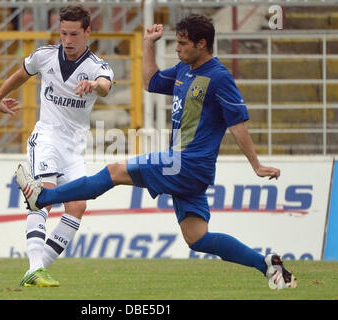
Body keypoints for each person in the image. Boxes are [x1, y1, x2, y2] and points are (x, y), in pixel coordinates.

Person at [15, 14, 297, 290]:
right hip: (188, 169)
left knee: (114, 171)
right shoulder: (185, 70)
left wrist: (257, 165)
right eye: (176, 41)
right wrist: (149, 43)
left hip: (186, 163)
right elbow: (150, 83)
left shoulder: (219, 78)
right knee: (198, 238)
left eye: (183, 43)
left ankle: (44, 197)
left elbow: (238, 124)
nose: (177, 48)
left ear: (202, 44)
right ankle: (267, 265)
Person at [0, 5, 114, 287]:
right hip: (46, 138)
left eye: (74, 34)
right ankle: (35, 268)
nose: (68, 40)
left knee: (78, 206)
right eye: (63, 33)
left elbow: (106, 85)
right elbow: (21, 74)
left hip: (74, 149)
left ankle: (35, 270)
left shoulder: (97, 66)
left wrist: (93, 85)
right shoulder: (44, 56)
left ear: (87, 33)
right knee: (43, 197)